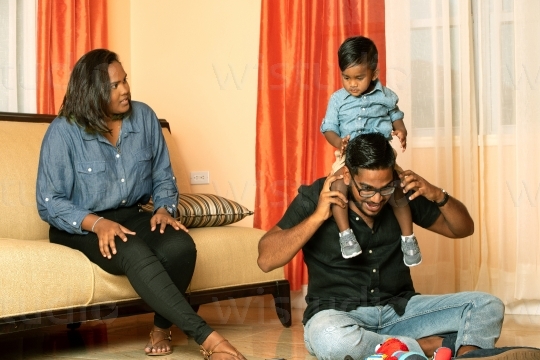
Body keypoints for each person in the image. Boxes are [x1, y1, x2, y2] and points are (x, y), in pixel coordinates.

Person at [36, 49, 245, 359]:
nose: (125, 90)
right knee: (133, 250)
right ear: (92, 92)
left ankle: (162, 326)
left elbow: (163, 177)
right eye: (114, 85)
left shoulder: (144, 117)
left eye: (125, 80)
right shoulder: (64, 132)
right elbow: (50, 202)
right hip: (81, 225)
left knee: (180, 245)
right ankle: (209, 339)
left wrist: (163, 209)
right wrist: (97, 223)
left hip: (131, 215)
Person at [257, 133, 540, 360]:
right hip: (337, 314)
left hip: (401, 311)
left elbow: (463, 229)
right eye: (366, 188)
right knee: (330, 339)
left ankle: (467, 356)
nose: (377, 199)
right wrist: (318, 217)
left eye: (385, 188)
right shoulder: (316, 196)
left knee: (486, 305)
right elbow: (266, 259)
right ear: (347, 176)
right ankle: (431, 347)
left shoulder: (400, 195)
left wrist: (437, 194)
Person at [320, 35, 421, 266]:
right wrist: (338, 143)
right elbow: (328, 128)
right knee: (337, 186)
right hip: (350, 156)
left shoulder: (385, 96)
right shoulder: (338, 100)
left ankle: (408, 238)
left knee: (397, 188)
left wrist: (401, 131)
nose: (352, 84)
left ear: (374, 74)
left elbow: (396, 116)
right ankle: (346, 235)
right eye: (346, 77)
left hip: (380, 157)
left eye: (359, 77)